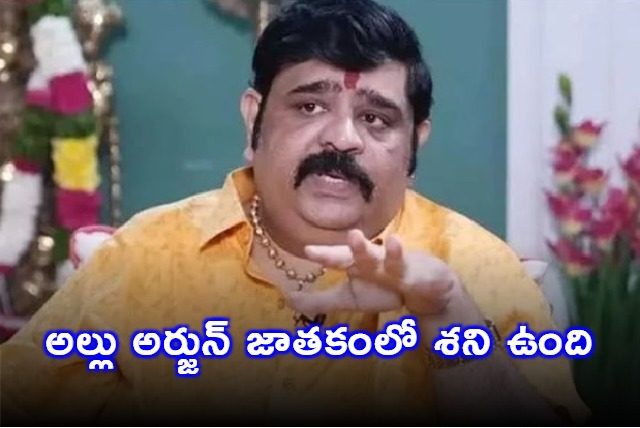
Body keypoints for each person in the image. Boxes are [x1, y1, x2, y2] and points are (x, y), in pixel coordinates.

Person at [0, 0, 590, 425]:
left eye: (376, 118)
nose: (342, 138)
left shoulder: (475, 270)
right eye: (309, 107)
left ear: (415, 144)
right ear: (253, 120)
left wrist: (449, 319)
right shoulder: (150, 253)